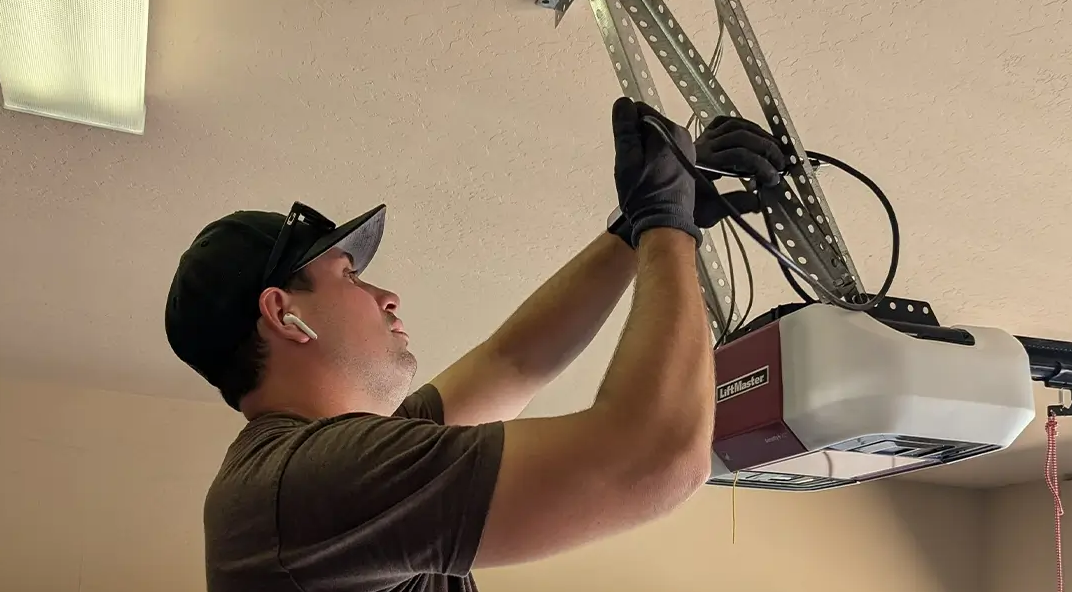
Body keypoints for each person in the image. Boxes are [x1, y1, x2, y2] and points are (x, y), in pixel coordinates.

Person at [164, 98, 787, 592]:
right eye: (349, 276)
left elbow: (513, 361)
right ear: (283, 312)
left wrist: (641, 222)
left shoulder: (322, 467)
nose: (388, 296)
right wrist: (666, 224)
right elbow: (656, 456)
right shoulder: (308, 484)